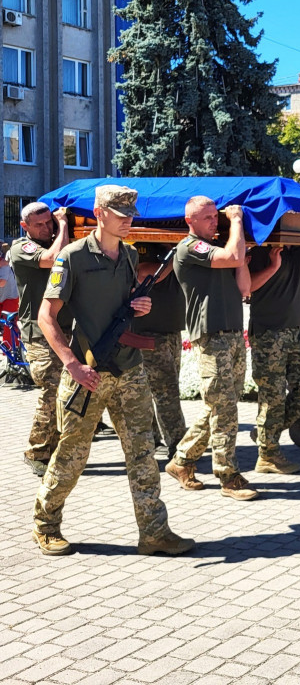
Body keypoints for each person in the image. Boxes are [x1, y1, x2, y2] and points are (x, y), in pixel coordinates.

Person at [33, 185, 193, 557]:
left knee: (142, 454)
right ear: (99, 213)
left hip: (129, 371)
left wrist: (138, 305)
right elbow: (46, 316)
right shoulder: (72, 257)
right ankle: (46, 525)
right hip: (87, 372)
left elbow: (120, 305)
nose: (127, 223)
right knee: (72, 455)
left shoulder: (130, 255)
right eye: (121, 216)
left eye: (131, 217)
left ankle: (154, 532)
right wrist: (72, 365)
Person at [165, 197, 256, 500]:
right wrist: (238, 221)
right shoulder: (190, 247)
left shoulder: (220, 248)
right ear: (190, 220)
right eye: (207, 218)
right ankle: (228, 477)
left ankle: (181, 461)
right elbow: (232, 257)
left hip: (232, 333)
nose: (214, 222)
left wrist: (242, 253)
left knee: (220, 403)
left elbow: (244, 287)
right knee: (224, 407)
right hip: (210, 335)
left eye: (216, 217)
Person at [247, 242, 300, 473]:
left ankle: (266, 435)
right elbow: (248, 286)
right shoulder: (261, 250)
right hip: (269, 332)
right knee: (272, 395)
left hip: (298, 330)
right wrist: (273, 266)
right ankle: (268, 455)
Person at [9, 203, 73, 477]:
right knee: (51, 390)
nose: (47, 228)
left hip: (65, 327)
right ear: (25, 227)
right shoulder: (21, 247)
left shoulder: (57, 237)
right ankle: (36, 452)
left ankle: (56, 449)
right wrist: (65, 225)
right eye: (41, 225)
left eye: (50, 222)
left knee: (66, 390)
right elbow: (53, 258)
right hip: (38, 331)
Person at [133, 245, 187, 462]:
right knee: (167, 393)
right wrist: (179, 252)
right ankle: (178, 446)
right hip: (149, 334)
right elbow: (144, 272)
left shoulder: (174, 248)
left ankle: (154, 438)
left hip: (171, 331)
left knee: (163, 389)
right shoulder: (140, 244)